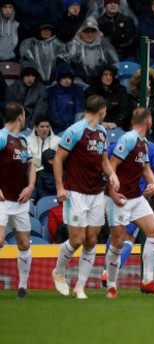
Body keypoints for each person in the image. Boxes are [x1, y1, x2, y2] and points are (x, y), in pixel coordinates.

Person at [51, 95, 120, 299]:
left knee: (91, 240)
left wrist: (112, 175)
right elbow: (57, 160)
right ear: (101, 111)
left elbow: (104, 160)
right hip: (76, 193)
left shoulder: (102, 132)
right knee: (76, 239)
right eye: (105, 110)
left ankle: (80, 287)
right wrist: (59, 188)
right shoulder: (74, 131)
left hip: (97, 193)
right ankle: (58, 271)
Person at [103, 108, 154, 298]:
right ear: (148, 121)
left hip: (136, 197)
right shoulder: (129, 138)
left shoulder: (143, 143)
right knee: (118, 242)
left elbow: (146, 167)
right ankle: (111, 286)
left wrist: (153, 184)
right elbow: (111, 165)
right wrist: (113, 193)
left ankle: (148, 281)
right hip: (120, 197)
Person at [0, 103, 35, 299]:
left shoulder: (22, 140)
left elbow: (31, 165)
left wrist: (30, 187)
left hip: (20, 202)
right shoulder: (2, 137)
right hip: (2, 200)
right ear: (20, 117)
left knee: (24, 244)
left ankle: (22, 287)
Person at [64, 17, 119, 86]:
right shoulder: (72, 46)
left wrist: (104, 75)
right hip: (79, 82)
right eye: (86, 31)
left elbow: (115, 63)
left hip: (102, 83)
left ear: (97, 32)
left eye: (93, 31)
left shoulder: (105, 45)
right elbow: (66, 66)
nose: (90, 34)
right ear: (80, 32)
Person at [19, 20, 67, 85]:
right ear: (38, 30)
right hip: (34, 82)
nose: (47, 31)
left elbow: (62, 63)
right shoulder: (28, 44)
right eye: (44, 29)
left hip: (54, 82)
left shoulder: (58, 44)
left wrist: (55, 78)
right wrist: (35, 77)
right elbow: (27, 63)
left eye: (49, 29)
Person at [85, 64, 130, 130]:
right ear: (100, 76)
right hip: (95, 125)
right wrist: (99, 122)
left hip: (117, 126)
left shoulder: (120, 90)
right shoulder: (91, 91)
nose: (108, 77)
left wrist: (116, 123)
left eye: (110, 74)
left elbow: (125, 110)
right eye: (105, 74)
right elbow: (88, 111)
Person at [4, 61, 48, 130]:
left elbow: (39, 111)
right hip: (16, 125)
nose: (30, 79)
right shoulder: (12, 89)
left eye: (33, 76)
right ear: (23, 76)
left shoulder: (41, 90)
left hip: (34, 126)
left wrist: (30, 127)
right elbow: (11, 112)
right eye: (27, 76)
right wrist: (24, 127)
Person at [47, 63, 85, 134]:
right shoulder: (52, 92)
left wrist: (74, 128)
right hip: (56, 130)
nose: (67, 80)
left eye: (69, 78)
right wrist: (63, 127)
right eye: (64, 77)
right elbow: (51, 112)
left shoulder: (78, 91)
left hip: (75, 130)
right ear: (59, 78)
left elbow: (80, 111)